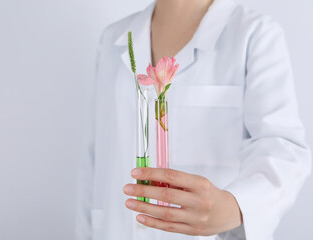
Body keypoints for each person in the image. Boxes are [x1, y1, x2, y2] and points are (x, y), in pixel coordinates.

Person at [75, 0, 312, 239]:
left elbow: (283, 149)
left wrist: (236, 206)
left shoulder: (254, 34)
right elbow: (97, 159)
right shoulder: (113, 39)